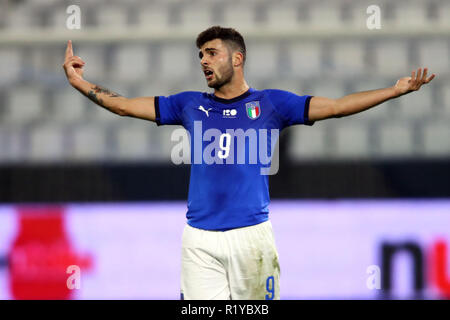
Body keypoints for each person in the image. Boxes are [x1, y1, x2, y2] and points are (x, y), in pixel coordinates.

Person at [62, 26, 435, 300]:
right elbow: (125, 106)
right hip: (199, 240)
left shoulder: (272, 104)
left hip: (251, 239)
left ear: (237, 58)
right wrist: (81, 83)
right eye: (201, 56)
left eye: (211, 52)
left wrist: (394, 90)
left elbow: (336, 107)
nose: (204, 61)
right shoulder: (189, 104)